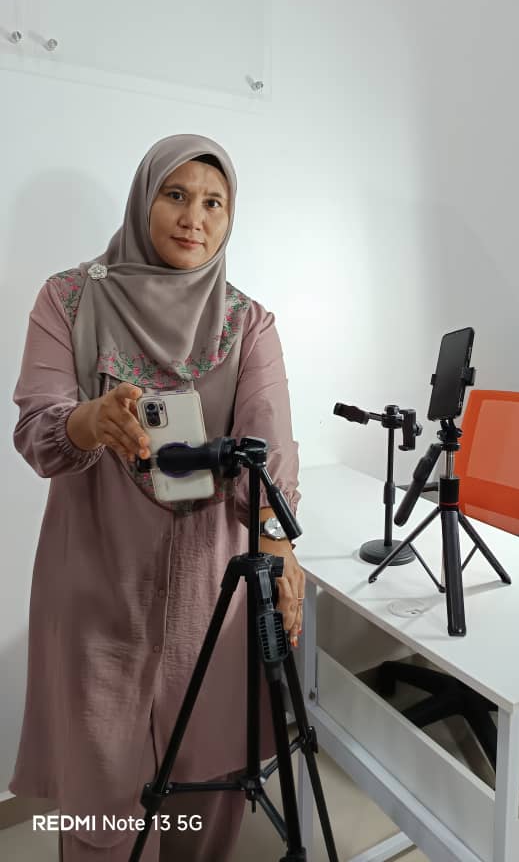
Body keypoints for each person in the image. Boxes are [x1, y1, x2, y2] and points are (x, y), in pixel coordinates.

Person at [10, 135, 304, 861]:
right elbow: (38, 427)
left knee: (208, 783)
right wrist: (91, 419)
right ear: (144, 200)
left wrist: (279, 550)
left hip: (211, 582)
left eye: (214, 202)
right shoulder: (69, 299)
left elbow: (269, 448)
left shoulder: (248, 323)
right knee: (100, 793)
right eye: (175, 195)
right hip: (97, 575)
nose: (193, 217)